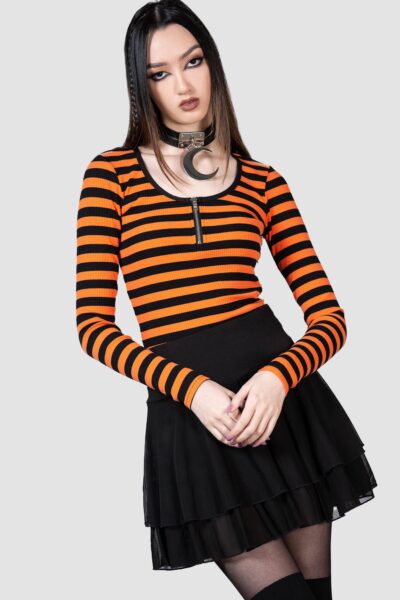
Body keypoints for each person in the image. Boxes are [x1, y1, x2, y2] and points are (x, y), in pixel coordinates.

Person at [75, 1, 378, 598]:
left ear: (212, 63)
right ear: (140, 85)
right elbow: (92, 327)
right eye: (159, 73)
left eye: (192, 62)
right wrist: (193, 390)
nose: (182, 85)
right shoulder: (111, 176)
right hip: (197, 422)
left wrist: (278, 378)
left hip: (284, 410)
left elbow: (330, 317)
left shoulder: (263, 180)